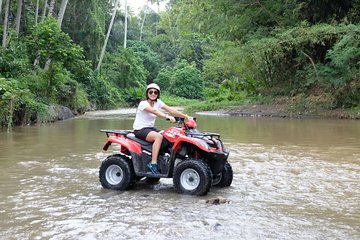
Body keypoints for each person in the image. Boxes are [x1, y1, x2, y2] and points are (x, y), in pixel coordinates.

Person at [133, 83, 191, 174]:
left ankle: (165, 158)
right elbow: (155, 111)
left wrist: (185, 116)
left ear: (158, 94)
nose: (153, 94)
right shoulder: (143, 103)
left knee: (168, 134)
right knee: (158, 137)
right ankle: (153, 163)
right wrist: (167, 117)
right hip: (140, 129)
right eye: (150, 92)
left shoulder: (158, 102)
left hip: (150, 128)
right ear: (147, 93)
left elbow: (171, 110)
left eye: (155, 92)